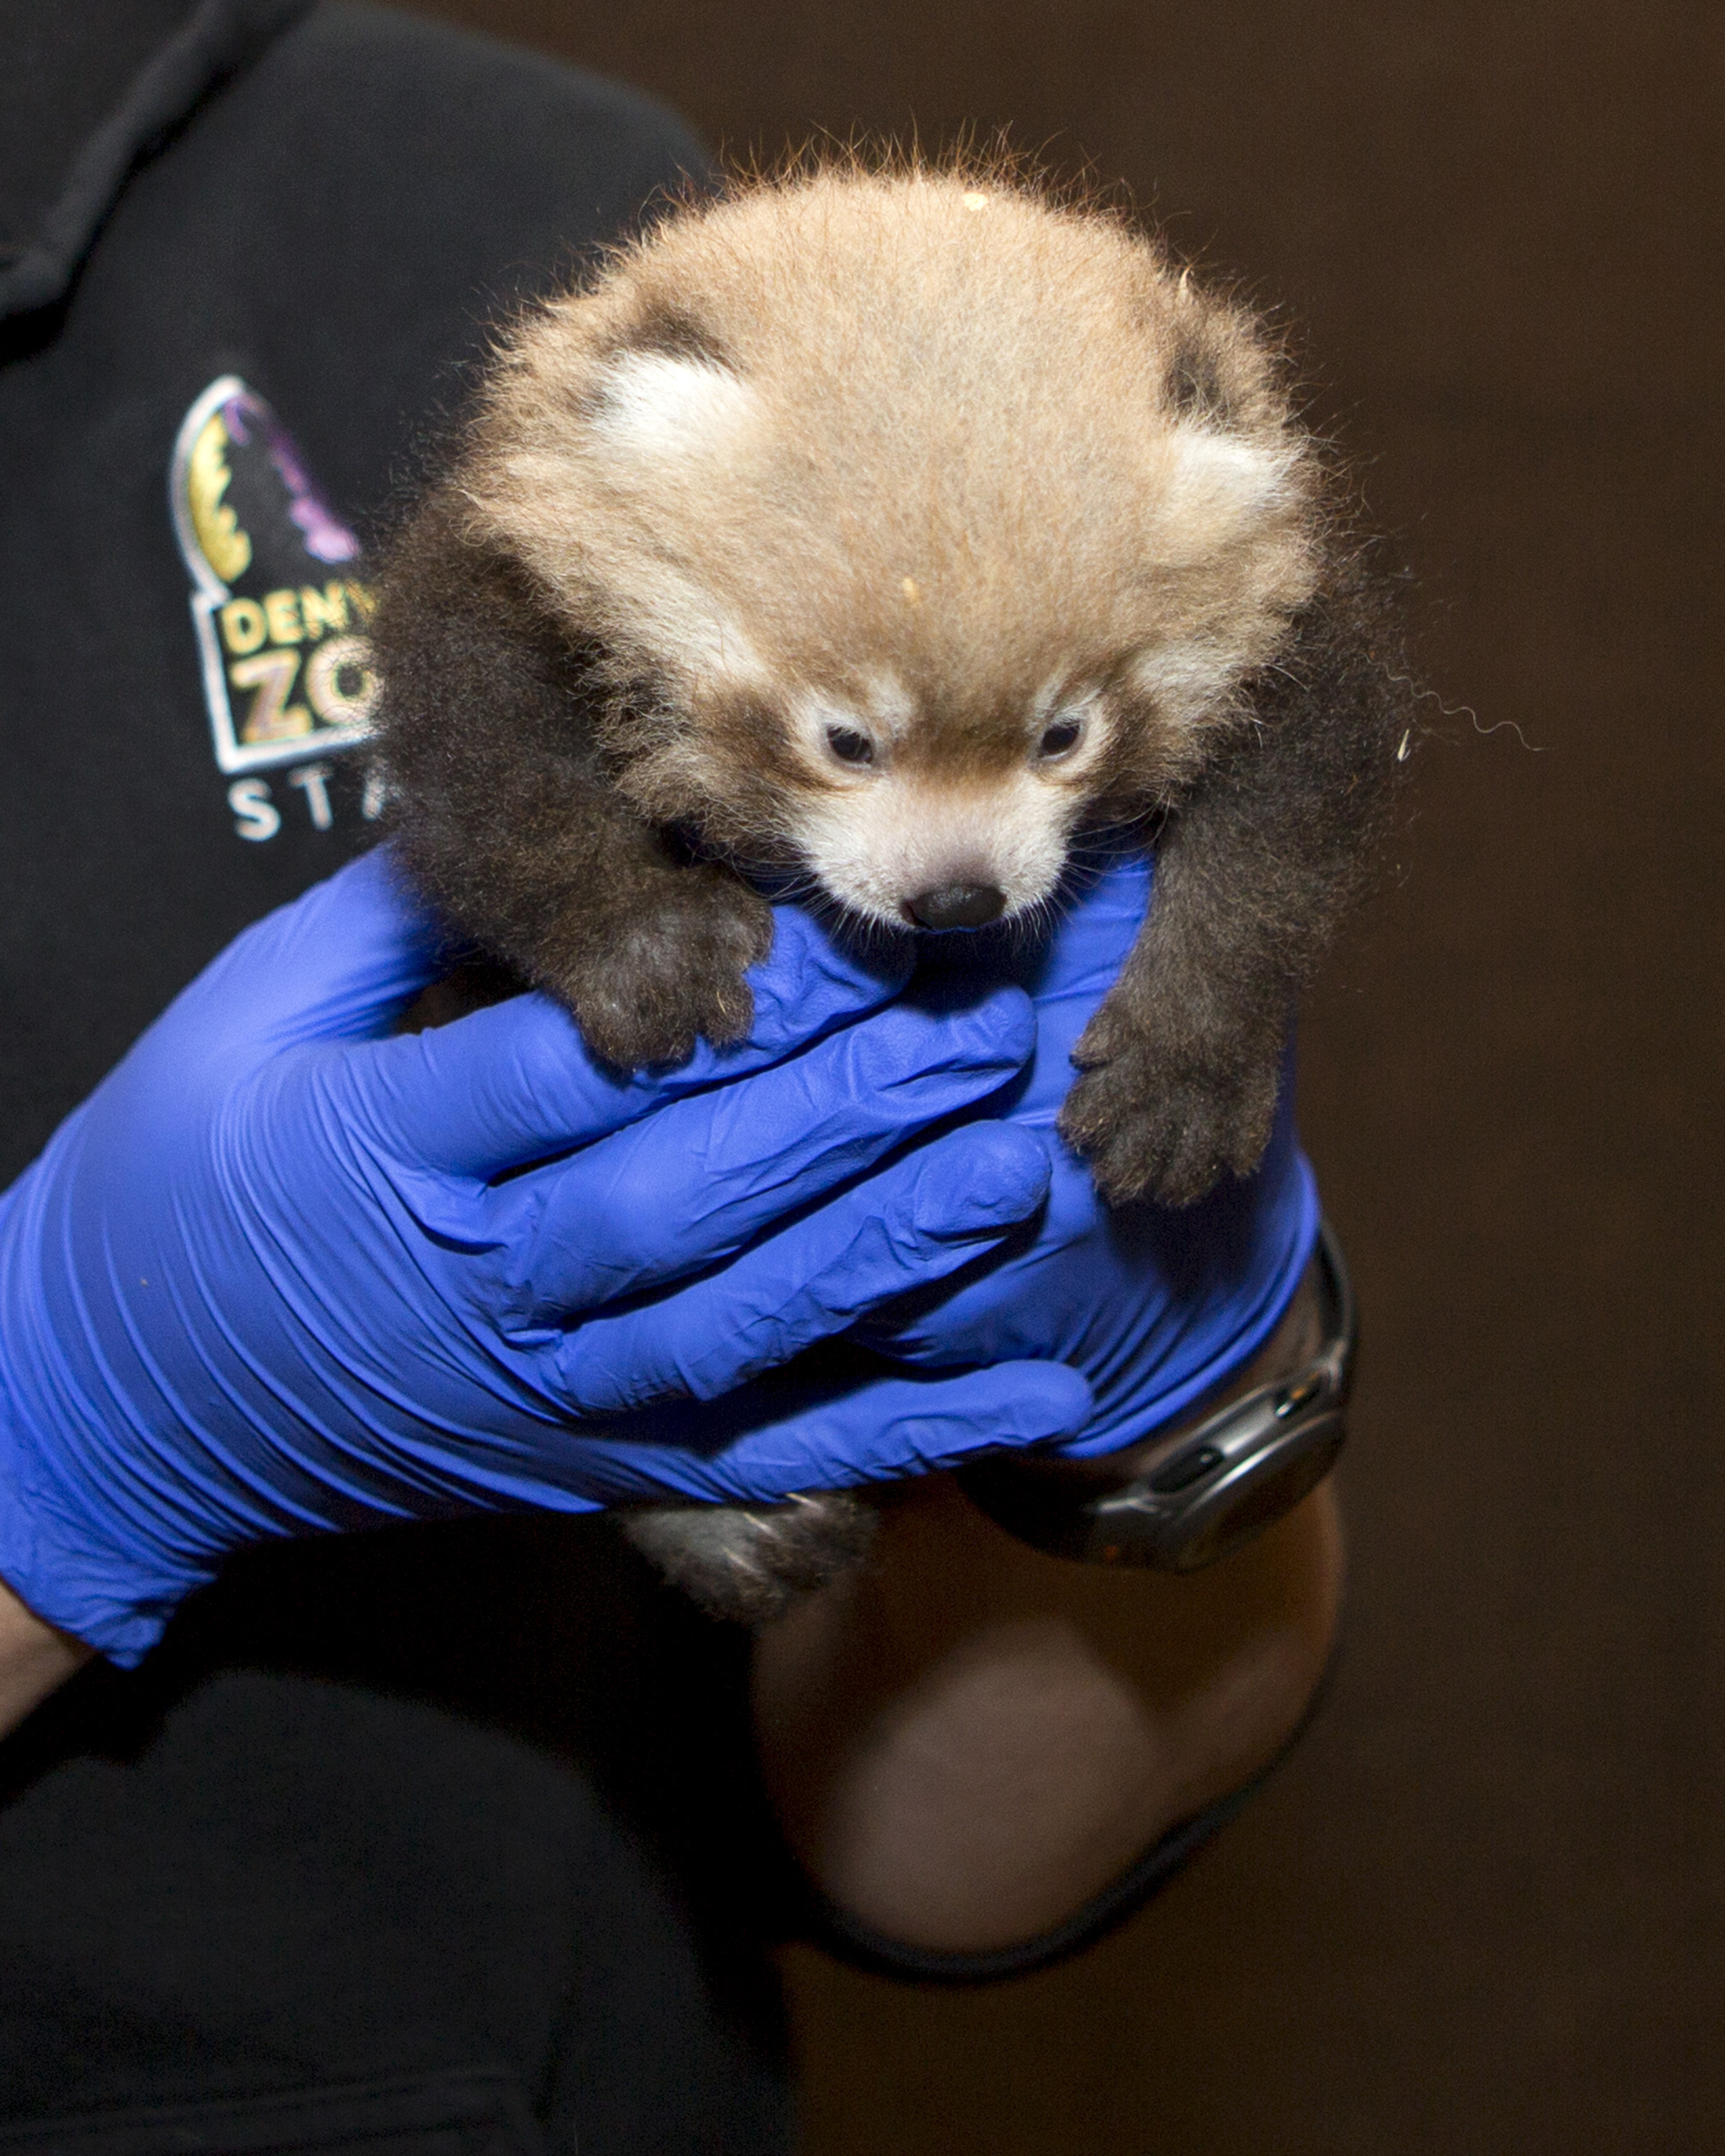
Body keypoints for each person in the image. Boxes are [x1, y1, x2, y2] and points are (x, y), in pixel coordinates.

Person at [0, 4, 1345, 2148]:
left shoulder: (519, 191)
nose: (958, 870)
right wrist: (50, 1447)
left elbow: (965, 1845)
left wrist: (1173, 1403)